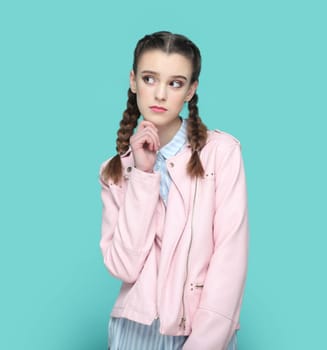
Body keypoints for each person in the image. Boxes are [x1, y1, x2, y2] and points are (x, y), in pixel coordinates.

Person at [99, 31, 249, 350]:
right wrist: (142, 174)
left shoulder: (221, 153)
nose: (161, 94)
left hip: (201, 332)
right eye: (150, 78)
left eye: (175, 83)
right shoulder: (115, 170)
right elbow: (123, 266)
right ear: (133, 81)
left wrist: (204, 343)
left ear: (191, 90)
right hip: (133, 334)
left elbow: (230, 259)